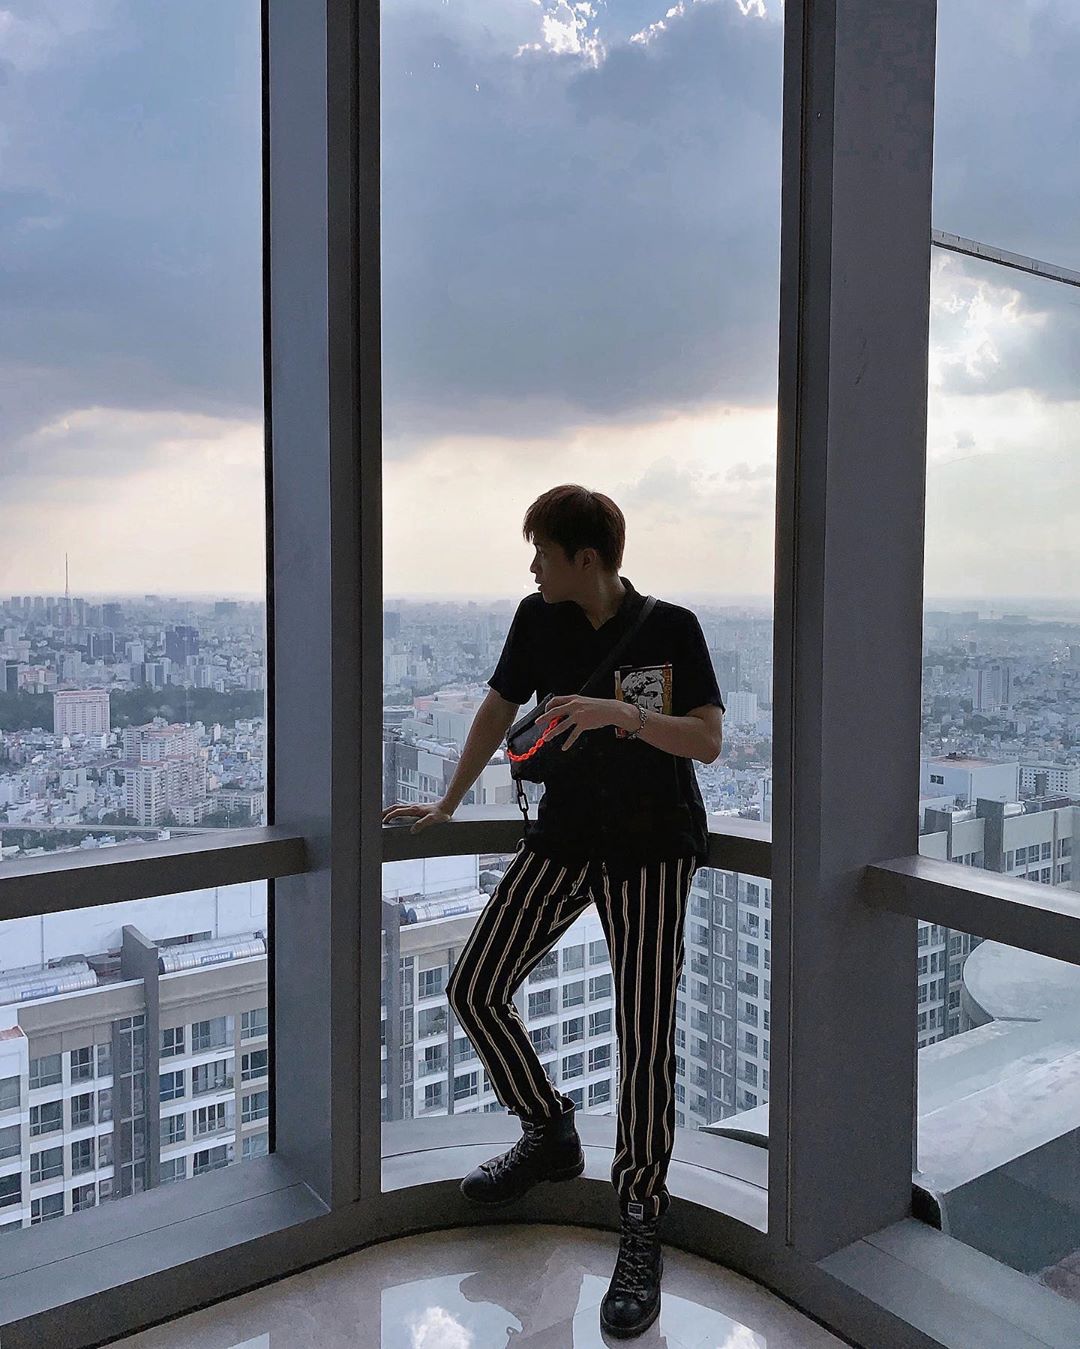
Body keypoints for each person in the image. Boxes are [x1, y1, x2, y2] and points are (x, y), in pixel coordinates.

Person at [382, 484, 725, 1340]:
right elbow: (499, 707)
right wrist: (448, 801)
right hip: (565, 839)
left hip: (652, 848)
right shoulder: (536, 621)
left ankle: (639, 1219)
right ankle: (548, 1127)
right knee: (475, 983)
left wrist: (619, 714)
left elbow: (708, 738)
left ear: (586, 557)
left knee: (644, 1036)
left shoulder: (672, 627)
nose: (532, 565)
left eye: (542, 550)